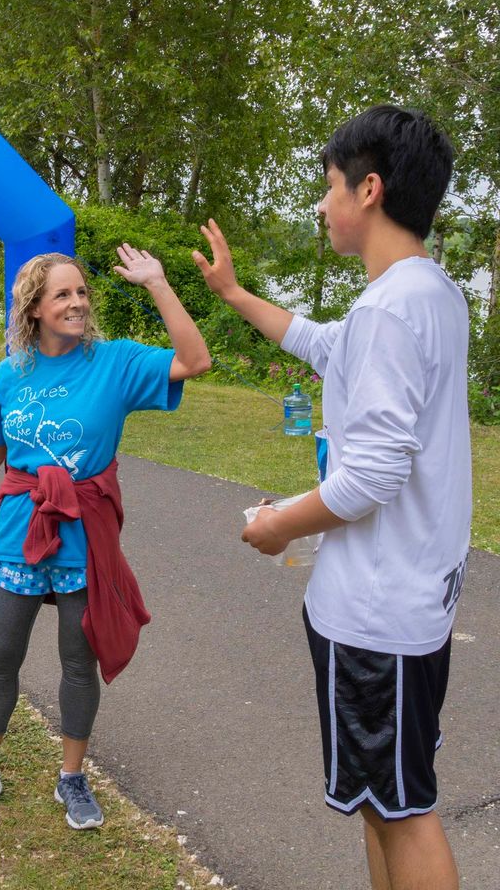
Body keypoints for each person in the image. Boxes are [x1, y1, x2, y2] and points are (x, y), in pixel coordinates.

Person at [192, 105, 466, 890]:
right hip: (414, 605)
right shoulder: (429, 293)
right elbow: (323, 344)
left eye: (329, 186)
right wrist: (236, 293)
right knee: (388, 803)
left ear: (369, 189)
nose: (322, 204)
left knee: (404, 814)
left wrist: (279, 524)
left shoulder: (389, 308)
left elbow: (371, 477)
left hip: (379, 619)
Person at [0, 247, 210, 831]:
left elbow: (196, 360)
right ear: (33, 307)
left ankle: (72, 777)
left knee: (78, 663)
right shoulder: (11, 372)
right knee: (2, 657)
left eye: (81, 293)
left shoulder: (115, 364)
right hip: (18, 527)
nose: (77, 302)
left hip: (84, 532)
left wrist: (157, 282)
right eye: (62, 294)